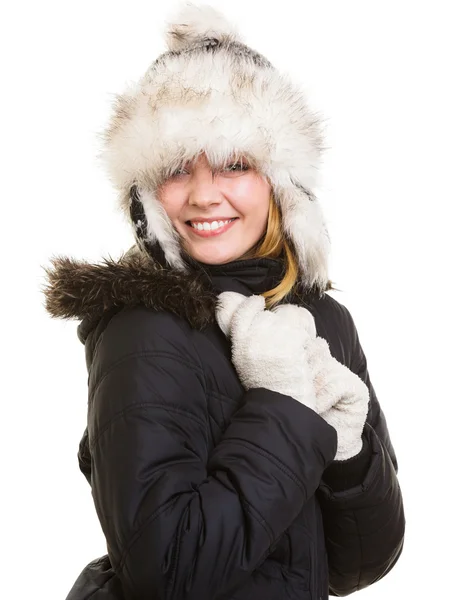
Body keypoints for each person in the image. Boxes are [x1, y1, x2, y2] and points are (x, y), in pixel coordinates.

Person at [43, 3, 405, 599]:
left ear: (280, 182)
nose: (204, 194)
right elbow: (168, 576)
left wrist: (345, 442)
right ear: (148, 190)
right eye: (177, 167)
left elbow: (358, 565)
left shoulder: (322, 322)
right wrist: (283, 403)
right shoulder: (144, 330)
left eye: (235, 164)